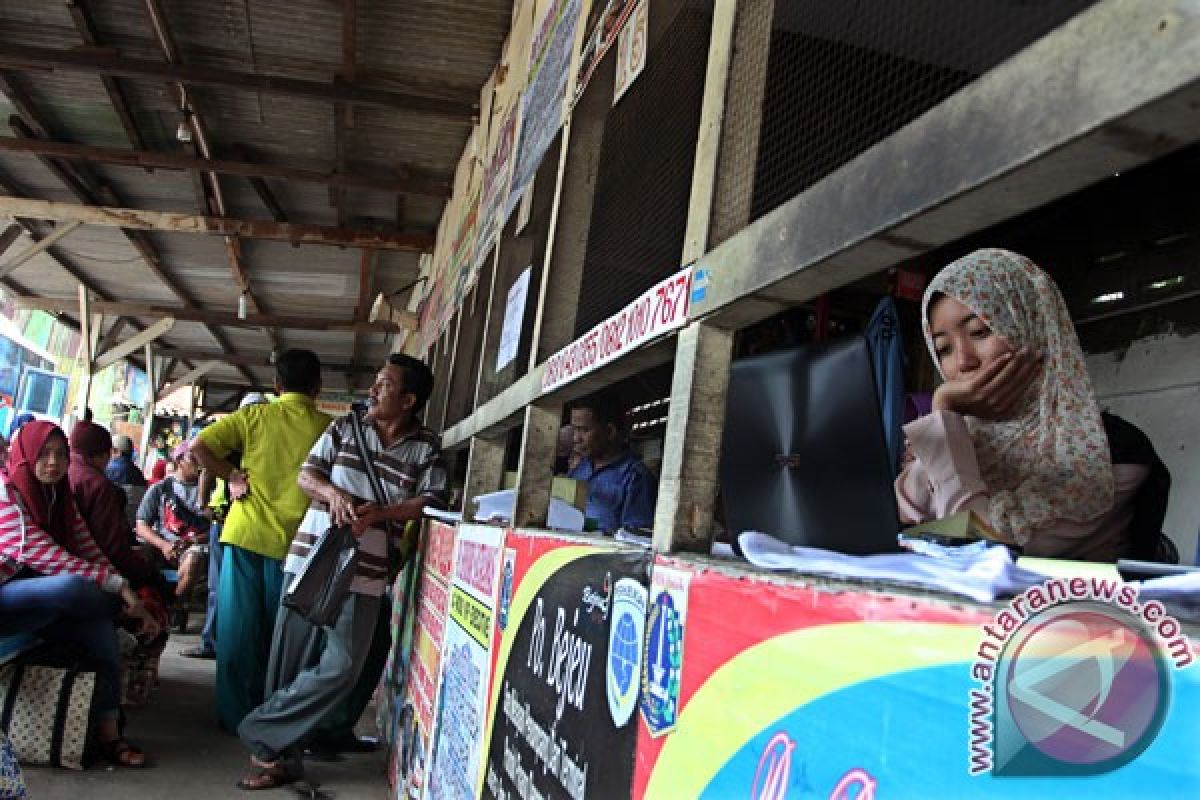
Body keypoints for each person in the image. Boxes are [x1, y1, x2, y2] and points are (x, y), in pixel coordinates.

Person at [236, 354, 447, 790]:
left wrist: (381, 513)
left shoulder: (426, 447)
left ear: (408, 400)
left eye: (385, 385)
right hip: (313, 555)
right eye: (376, 381)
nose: (373, 390)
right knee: (289, 661)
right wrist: (332, 494)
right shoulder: (345, 427)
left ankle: (261, 727)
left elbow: (431, 502)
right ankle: (276, 758)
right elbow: (307, 476)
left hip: (367, 569)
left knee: (343, 665)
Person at [896, 249, 1174, 562]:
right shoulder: (963, 436)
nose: (963, 361)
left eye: (980, 331)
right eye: (943, 348)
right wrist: (946, 426)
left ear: (1034, 329)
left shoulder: (1105, 451)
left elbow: (982, 551)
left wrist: (944, 413)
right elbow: (895, 522)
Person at [0, 421, 160, 767]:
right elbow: (44, 554)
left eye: (60, 455)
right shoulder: (6, 496)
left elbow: (88, 549)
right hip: (7, 598)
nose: (54, 463)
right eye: (43, 455)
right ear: (24, 456)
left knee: (97, 625)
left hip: (41, 600)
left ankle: (109, 734)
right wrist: (121, 590)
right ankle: (119, 615)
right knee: (74, 587)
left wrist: (123, 586)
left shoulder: (60, 498)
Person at [190, 350, 330, 732]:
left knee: (237, 630)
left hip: (246, 535)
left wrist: (233, 476)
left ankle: (234, 716)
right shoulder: (330, 428)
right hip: (301, 547)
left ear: (276, 385)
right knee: (281, 637)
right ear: (317, 386)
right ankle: (272, 717)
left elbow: (198, 447)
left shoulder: (255, 416)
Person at [190, 392, 269, 661]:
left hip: (242, 524)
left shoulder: (248, 445)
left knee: (230, 590)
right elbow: (205, 467)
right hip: (229, 521)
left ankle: (226, 645)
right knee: (222, 588)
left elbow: (204, 466)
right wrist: (204, 504)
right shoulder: (231, 447)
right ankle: (215, 643)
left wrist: (204, 504)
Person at [567, 394, 658, 532]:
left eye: (584, 430)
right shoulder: (578, 470)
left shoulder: (635, 478)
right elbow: (565, 521)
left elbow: (634, 539)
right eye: (575, 429)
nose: (576, 438)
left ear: (610, 431)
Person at [136, 442, 211, 600]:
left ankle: (175, 605)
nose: (199, 463)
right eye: (193, 459)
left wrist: (193, 541)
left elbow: (219, 528)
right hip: (164, 546)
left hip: (197, 547)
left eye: (201, 459)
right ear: (179, 462)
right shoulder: (160, 488)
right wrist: (163, 545)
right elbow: (141, 525)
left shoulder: (211, 491)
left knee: (193, 559)